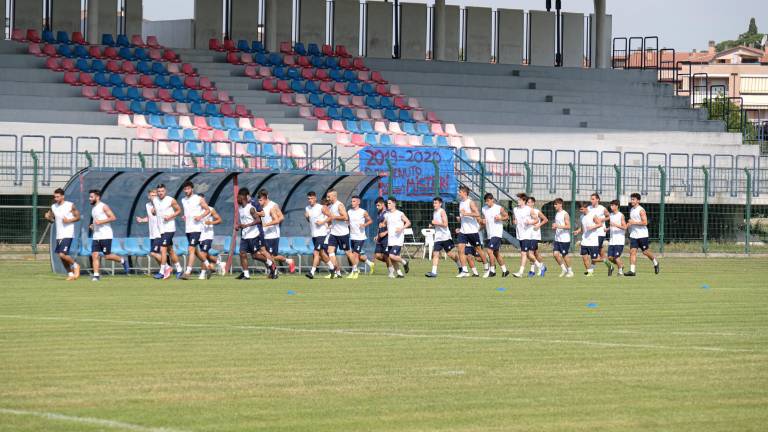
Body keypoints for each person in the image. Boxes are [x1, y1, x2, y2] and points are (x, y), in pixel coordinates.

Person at [235, 188, 277, 280]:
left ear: (244, 197)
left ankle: (271, 264)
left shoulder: (251, 208)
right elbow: (243, 221)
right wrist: (238, 226)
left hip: (253, 235)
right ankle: (246, 275)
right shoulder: (240, 208)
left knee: (255, 256)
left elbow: (258, 220)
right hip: (245, 236)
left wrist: (247, 225)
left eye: (239, 196)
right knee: (242, 253)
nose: (237, 198)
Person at [88, 189, 129, 281]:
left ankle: (122, 260)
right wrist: (93, 225)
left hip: (105, 235)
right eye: (89, 197)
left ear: (97, 197)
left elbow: (113, 217)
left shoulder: (104, 206)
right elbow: (97, 221)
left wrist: (100, 222)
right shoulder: (93, 208)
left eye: (91, 197)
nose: (89, 198)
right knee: (94, 255)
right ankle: (96, 275)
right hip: (96, 236)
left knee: (107, 256)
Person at [45, 188, 81, 281]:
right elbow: (52, 220)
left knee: (62, 254)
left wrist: (69, 220)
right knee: (62, 257)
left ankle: (76, 266)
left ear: (62, 196)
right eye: (55, 196)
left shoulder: (70, 205)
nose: (56, 198)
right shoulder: (53, 207)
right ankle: (70, 274)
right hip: (59, 234)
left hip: (68, 233)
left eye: (57, 196)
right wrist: (48, 218)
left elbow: (78, 217)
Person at [257, 189, 295, 274]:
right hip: (264, 234)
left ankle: (276, 270)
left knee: (271, 256)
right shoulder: (261, 208)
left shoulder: (273, 206)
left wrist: (266, 225)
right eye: (258, 200)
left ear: (266, 198)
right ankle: (275, 269)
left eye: (260, 200)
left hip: (272, 235)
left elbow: (280, 218)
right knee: (263, 254)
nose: (259, 202)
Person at [180, 181, 211, 280]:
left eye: (188, 188)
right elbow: (188, 212)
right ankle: (208, 266)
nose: (186, 190)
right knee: (196, 251)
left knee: (191, 249)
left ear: (192, 189)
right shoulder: (183, 200)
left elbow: (207, 210)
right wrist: (185, 217)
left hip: (197, 228)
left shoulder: (198, 199)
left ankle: (187, 272)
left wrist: (200, 216)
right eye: (185, 189)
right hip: (188, 228)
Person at [152, 184, 183, 280]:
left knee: (163, 249)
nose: (160, 193)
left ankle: (162, 272)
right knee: (170, 250)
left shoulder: (171, 200)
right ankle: (179, 269)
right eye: (159, 191)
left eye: (162, 191)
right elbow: (156, 211)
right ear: (157, 192)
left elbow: (179, 210)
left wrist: (170, 217)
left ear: (165, 191)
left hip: (169, 228)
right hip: (161, 229)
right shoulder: (155, 200)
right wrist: (154, 211)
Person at [625, 193, 660, 276]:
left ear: (638, 200)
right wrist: (628, 225)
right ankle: (632, 271)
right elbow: (632, 221)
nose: (632, 201)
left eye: (633, 199)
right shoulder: (632, 209)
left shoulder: (641, 210)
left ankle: (655, 262)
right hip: (634, 235)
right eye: (631, 199)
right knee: (632, 251)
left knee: (645, 252)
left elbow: (645, 222)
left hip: (642, 235)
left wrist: (634, 222)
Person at [425, 197, 461, 278]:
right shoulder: (434, 212)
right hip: (438, 237)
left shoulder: (442, 212)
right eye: (434, 203)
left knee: (450, 254)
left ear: (440, 204)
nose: (434, 204)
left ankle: (461, 267)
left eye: (436, 203)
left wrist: (435, 222)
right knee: (435, 253)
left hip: (445, 237)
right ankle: (434, 272)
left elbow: (445, 224)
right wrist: (432, 225)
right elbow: (437, 224)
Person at [455, 185, 487, 278]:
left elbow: (477, 214)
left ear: (464, 193)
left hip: (472, 231)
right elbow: (464, 217)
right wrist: (460, 219)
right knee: (460, 250)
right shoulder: (461, 203)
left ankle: (487, 267)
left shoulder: (470, 202)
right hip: (463, 232)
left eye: (460, 192)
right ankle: (464, 270)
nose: (459, 193)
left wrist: (466, 213)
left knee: (478, 250)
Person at [304, 191, 334, 279]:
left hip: (321, 233)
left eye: (311, 198)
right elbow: (310, 221)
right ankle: (332, 268)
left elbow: (330, 216)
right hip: (314, 234)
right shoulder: (307, 208)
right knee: (321, 253)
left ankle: (312, 272)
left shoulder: (321, 207)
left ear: (315, 198)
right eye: (308, 199)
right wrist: (307, 217)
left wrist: (322, 222)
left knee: (316, 252)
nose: (310, 200)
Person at [480, 193, 510, 278]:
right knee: (496, 253)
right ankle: (505, 271)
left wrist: (500, 218)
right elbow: (483, 220)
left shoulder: (498, 208)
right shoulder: (484, 209)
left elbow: (507, 217)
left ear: (492, 199)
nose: (487, 203)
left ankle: (492, 270)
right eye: (486, 201)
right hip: (489, 234)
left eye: (488, 201)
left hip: (497, 233)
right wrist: (482, 223)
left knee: (489, 251)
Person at [511, 193, 540, 278]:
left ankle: (520, 272)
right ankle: (540, 266)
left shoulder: (529, 209)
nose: (518, 201)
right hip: (519, 234)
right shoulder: (515, 209)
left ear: (524, 201)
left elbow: (536, 219)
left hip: (527, 234)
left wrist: (530, 222)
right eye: (518, 199)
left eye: (519, 199)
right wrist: (514, 221)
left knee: (523, 253)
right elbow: (514, 219)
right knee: (527, 254)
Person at [198, 194, 226, 279]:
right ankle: (220, 263)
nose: (200, 201)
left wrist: (211, 223)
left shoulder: (210, 209)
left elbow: (219, 220)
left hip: (208, 235)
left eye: (202, 199)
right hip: (199, 236)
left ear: (204, 200)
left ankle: (202, 274)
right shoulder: (195, 210)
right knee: (205, 255)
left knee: (203, 253)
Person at [347, 195, 374, 278]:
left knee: (355, 254)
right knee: (355, 254)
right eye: (352, 201)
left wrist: (364, 224)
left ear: (358, 202)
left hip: (360, 237)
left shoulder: (363, 212)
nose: (352, 203)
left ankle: (354, 272)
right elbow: (348, 221)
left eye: (354, 201)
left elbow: (370, 221)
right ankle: (370, 263)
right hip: (352, 236)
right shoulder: (349, 211)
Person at [135, 189, 163, 269]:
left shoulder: (160, 205)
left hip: (159, 233)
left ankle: (167, 267)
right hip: (152, 234)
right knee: (155, 254)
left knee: (153, 253)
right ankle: (163, 271)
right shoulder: (147, 205)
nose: (153, 197)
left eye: (155, 195)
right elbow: (150, 218)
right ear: (149, 196)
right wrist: (142, 220)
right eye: (152, 195)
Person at [384, 197, 411, 278]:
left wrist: (401, 228)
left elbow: (408, 222)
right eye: (387, 203)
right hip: (390, 239)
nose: (388, 205)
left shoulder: (400, 213)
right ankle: (399, 274)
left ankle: (404, 262)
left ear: (394, 204)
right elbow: (385, 223)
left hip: (398, 239)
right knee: (392, 259)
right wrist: (382, 225)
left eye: (389, 203)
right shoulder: (387, 214)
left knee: (392, 255)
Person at [574, 201, 600, 277]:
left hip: (593, 241)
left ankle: (605, 261)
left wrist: (592, 227)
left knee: (594, 259)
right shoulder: (581, 216)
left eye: (582, 209)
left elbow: (600, 224)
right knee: (584, 258)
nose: (580, 211)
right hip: (584, 241)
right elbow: (582, 228)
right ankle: (589, 272)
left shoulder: (592, 215)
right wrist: (578, 231)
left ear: (586, 208)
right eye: (580, 209)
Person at [550, 198, 574, 278]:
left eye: (556, 204)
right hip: (557, 238)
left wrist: (558, 226)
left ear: (560, 204)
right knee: (555, 254)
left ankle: (570, 271)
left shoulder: (565, 214)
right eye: (554, 204)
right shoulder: (557, 214)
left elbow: (568, 226)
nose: (554, 206)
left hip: (564, 239)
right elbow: (558, 225)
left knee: (564, 255)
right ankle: (564, 269)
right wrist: (555, 227)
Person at [526, 196, 548, 277]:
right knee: (535, 253)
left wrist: (539, 225)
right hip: (527, 235)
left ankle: (532, 271)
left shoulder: (536, 211)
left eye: (529, 202)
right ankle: (542, 266)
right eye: (527, 202)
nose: (528, 204)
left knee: (530, 253)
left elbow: (545, 219)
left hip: (534, 235)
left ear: (533, 203)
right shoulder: (525, 211)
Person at [589, 193, 611, 272]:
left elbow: (608, 216)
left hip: (600, 232)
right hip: (592, 233)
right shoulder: (588, 208)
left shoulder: (602, 208)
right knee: (600, 252)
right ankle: (610, 266)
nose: (591, 200)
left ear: (598, 199)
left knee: (594, 250)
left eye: (593, 199)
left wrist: (601, 220)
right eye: (591, 199)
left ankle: (591, 271)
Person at [607, 199, 626, 276]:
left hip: (619, 240)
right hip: (612, 240)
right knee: (610, 257)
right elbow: (611, 226)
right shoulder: (611, 215)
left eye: (613, 205)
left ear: (617, 206)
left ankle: (620, 271)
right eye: (611, 205)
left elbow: (624, 227)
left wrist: (615, 225)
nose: (611, 207)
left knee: (616, 256)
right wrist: (607, 229)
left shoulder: (621, 215)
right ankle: (621, 265)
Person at [372, 197, 391, 271]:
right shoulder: (379, 213)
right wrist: (377, 235)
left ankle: (391, 271)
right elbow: (379, 226)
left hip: (387, 237)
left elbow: (392, 226)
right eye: (376, 206)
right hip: (380, 238)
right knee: (377, 255)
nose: (377, 207)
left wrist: (385, 233)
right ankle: (393, 262)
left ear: (383, 204)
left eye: (378, 205)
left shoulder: (388, 213)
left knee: (386, 255)